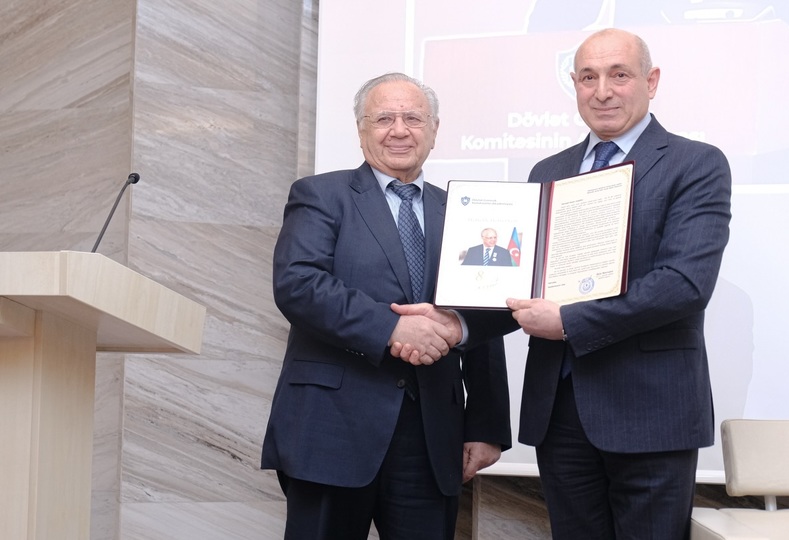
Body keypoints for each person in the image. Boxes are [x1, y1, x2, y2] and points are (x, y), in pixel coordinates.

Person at [260, 72, 511, 540]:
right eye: (383, 119)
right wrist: (392, 329)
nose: (399, 130)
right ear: (361, 130)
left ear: (434, 129)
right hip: (331, 430)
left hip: (431, 436)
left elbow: (479, 316)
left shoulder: (464, 212)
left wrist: (486, 424)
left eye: (413, 118)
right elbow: (298, 284)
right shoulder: (320, 195)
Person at [505, 29, 733, 539]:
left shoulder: (696, 163)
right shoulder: (548, 171)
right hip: (560, 409)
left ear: (651, 82)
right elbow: (524, 278)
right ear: (574, 84)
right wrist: (452, 321)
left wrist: (569, 321)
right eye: (588, 77)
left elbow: (684, 283)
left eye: (619, 75)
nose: (602, 91)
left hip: (651, 412)